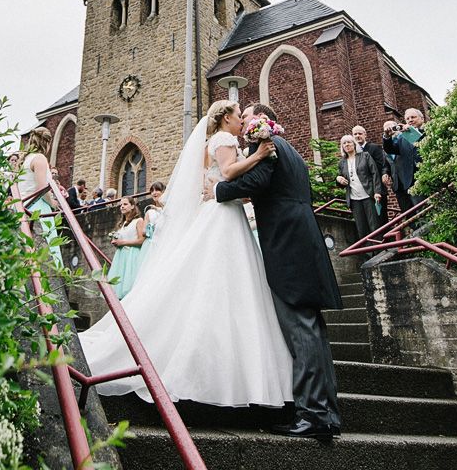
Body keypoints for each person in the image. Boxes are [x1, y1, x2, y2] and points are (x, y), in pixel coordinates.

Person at [78, 100, 295, 413]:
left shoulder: (216, 141)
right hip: (222, 217)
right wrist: (260, 155)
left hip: (224, 212)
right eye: (237, 115)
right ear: (225, 119)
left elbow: (221, 179)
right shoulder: (224, 140)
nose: (240, 121)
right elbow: (231, 171)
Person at [213, 102, 344, 441]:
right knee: (314, 330)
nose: (243, 124)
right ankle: (327, 413)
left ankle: (312, 415)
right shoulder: (292, 152)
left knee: (300, 329)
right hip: (306, 241)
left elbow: (254, 182)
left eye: (246, 118)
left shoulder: (266, 146)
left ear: (259, 118)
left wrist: (216, 189)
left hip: (288, 246)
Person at [14, 127, 64, 267]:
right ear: (47, 143)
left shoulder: (23, 160)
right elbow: (41, 188)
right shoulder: (40, 158)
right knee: (46, 250)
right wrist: (53, 203)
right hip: (37, 207)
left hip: (22, 206)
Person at [336, 134, 383, 240]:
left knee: (374, 226)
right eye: (344, 143)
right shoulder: (342, 162)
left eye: (349, 142)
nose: (347, 144)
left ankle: (379, 251)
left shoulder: (365, 156)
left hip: (368, 195)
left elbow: (375, 173)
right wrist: (338, 179)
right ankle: (369, 255)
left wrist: (377, 191)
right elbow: (340, 178)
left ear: (354, 144)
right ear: (342, 147)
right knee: (361, 228)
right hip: (354, 199)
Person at [108, 197, 145, 298]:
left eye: (125, 204)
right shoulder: (123, 223)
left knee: (130, 285)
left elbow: (141, 240)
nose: (122, 207)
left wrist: (123, 243)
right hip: (121, 257)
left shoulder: (139, 220)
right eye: (121, 205)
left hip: (132, 256)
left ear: (132, 206)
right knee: (118, 286)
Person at [382, 120, 420, 213]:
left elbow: (418, 144)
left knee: (419, 208)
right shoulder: (387, 145)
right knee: (408, 212)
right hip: (398, 184)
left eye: (392, 127)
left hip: (412, 179)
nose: (391, 130)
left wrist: (409, 131)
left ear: (398, 127)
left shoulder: (406, 137)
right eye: (387, 129)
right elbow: (387, 163)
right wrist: (386, 173)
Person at [134, 181, 166, 270]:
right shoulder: (149, 212)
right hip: (152, 245)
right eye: (152, 191)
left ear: (163, 192)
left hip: (165, 242)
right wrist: (151, 227)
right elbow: (144, 232)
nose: (154, 193)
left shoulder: (169, 209)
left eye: (157, 190)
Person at [351, 124, 391, 195]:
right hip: (361, 190)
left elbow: (383, 164)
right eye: (355, 134)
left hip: (376, 186)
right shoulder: (352, 152)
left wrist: (384, 173)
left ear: (365, 135)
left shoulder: (375, 148)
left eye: (360, 133)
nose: (357, 136)